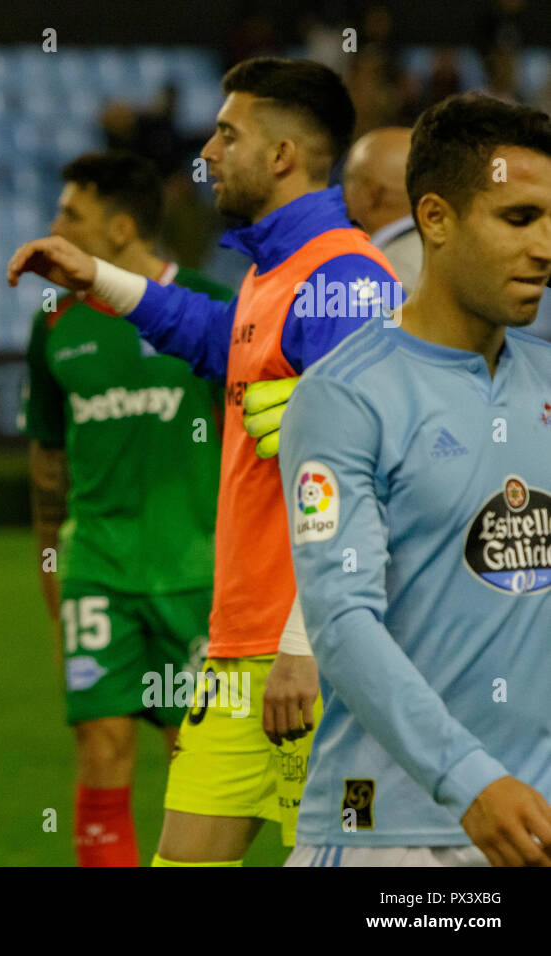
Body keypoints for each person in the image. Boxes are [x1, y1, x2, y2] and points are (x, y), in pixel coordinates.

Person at [8, 57, 398, 866]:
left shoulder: (346, 280)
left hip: (316, 659)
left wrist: (304, 645)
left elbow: (366, 483)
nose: (208, 152)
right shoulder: (274, 272)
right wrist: (100, 279)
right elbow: (212, 336)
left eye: (228, 134)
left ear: (283, 155)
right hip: (234, 660)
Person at [281, 92, 551, 867]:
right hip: (387, 837)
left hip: (531, 830)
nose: (545, 246)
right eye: (518, 218)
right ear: (435, 218)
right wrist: (469, 781)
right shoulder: (345, 395)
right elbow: (341, 622)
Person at [21, 151, 231, 866]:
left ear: (117, 227)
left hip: (197, 577)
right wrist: (53, 563)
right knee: (101, 746)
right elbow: (47, 457)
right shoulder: (53, 322)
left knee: (196, 760)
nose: (54, 227)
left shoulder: (209, 307)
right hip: (98, 571)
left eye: (69, 215)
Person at [343, 127, 422, 295]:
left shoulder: (384, 271)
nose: (342, 191)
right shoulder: (449, 250)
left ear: (370, 194)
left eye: (350, 179)